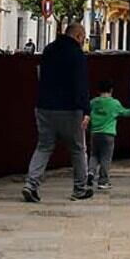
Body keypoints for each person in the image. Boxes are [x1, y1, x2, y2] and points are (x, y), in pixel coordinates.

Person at [22, 21, 92, 203]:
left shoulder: (49, 50)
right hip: (70, 109)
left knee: (44, 146)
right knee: (78, 149)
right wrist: (86, 110)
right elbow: (81, 84)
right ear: (78, 36)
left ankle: (31, 184)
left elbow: (40, 75)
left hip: (44, 107)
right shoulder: (77, 55)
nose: (83, 42)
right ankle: (80, 188)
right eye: (83, 38)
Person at [86, 79, 130, 190]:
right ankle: (103, 181)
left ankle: (91, 172)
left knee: (94, 155)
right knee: (105, 158)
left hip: (94, 133)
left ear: (98, 90)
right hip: (108, 134)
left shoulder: (93, 102)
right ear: (111, 90)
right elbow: (126, 113)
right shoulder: (114, 103)